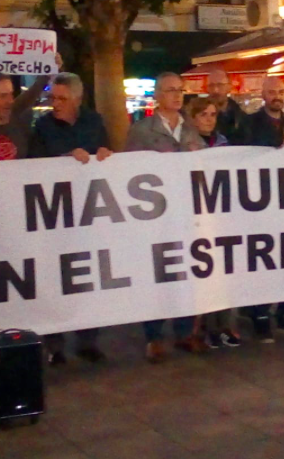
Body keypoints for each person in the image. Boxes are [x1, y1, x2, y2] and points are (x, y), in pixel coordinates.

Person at [126, 72, 207, 362]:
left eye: (180, 90)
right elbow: (130, 172)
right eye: (170, 90)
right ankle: (154, 336)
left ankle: (185, 331)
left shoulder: (190, 130)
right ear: (157, 95)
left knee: (186, 270)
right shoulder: (142, 131)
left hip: (185, 210)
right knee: (158, 272)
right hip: (155, 213)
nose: (176, 95)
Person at [33, 73, 111, 365]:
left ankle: (88, 340)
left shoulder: (94, 121)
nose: (56, 104)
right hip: (56, 214)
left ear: (77, 99)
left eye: (62, 98)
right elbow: (33, 165)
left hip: (89, 211)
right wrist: (65, 158)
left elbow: (105, 149)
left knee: (89, 275)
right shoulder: (42, 127)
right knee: (58, 278)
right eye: (53, 97)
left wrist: (104, 153)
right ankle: (55, 344)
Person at [240, 76, 284, 342]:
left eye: (281, 91)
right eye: (271, 92)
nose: (276, 96)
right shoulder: (248, 124)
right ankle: (260, 315)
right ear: (263, 95)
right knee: (263, 259)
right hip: (260, 204)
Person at [186, 97, 241, 348]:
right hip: (196, 217)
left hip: (220, 214)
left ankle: (223, 325)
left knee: (224, 271)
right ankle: (202, 328)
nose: (209, 119)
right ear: (193, 118)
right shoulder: (185, 144)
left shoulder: (222, 142)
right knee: (203, 274)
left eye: (212, 114)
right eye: (203, 115)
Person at [206, 68, 246, 143]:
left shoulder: (241, 117)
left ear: (229, 87)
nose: (215, 90)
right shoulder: (196, 116)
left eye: (220, 85)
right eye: (211, 85)